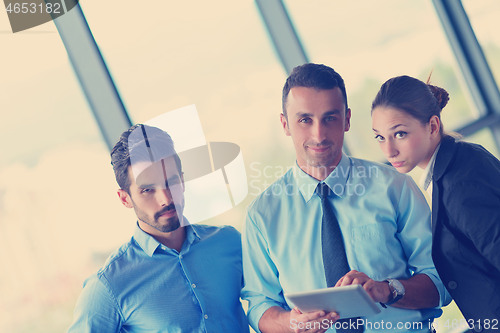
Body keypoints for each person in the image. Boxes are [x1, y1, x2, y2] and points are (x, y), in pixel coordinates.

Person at [241, 63, 450, 333]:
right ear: (285, 124)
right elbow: (259, 305)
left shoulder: (395, 188)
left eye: (330, 118)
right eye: (305, 120)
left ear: (347, 119)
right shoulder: (262, 216)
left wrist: (386, 290)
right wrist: (291, 323)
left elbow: (442, 281)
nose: (318, 134)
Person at [68, 124, 249, 332]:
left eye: (171, 182)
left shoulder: (229, 242)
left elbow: (269, 302)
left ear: (182, 180)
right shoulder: (108, 286)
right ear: (125, 199)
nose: (166, 198)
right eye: (147, 190)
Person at [371, 75, 500, 332]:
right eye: (380, 137)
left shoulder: (460, 182)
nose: (389, 150)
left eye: (400, 134)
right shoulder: (458, 162)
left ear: (432, 126)